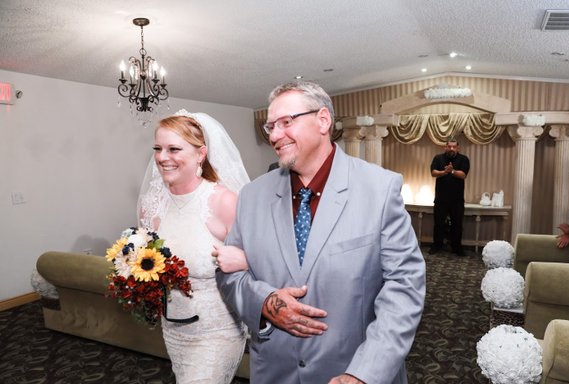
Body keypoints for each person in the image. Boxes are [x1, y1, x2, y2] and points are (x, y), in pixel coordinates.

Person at [215, 81, 426, 384]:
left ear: (323, 120)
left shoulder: (379, 189)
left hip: (352, 369)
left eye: (286, 122)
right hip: (275, 372)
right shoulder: (251, 196)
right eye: (270, 127)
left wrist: (364, 373)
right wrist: (265, 303)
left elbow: (405, 287)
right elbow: (228, 274)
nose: (274, 135)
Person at [137, 110, 250, 383]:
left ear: (201, 154)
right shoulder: (150, 205)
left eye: (174, 149)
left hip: (218, 331)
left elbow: (262, 262)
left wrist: (246, 260)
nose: (163, 157)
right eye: (158, 148)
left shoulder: (223, 201)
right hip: (174, 328)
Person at [429, 139, 470, 256]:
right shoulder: (438, 158)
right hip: (440, 199)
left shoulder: (463, 159)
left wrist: (452, 171)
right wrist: (445, 172)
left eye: (454, 147)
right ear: (445, 147)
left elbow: (463, 175)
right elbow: (433, 173)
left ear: (458, 148)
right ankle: (437, 246)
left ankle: (457, 248)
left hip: (457, 200)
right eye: (449, 146)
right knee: (438, 224)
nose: (451, 149)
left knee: (457, 224)